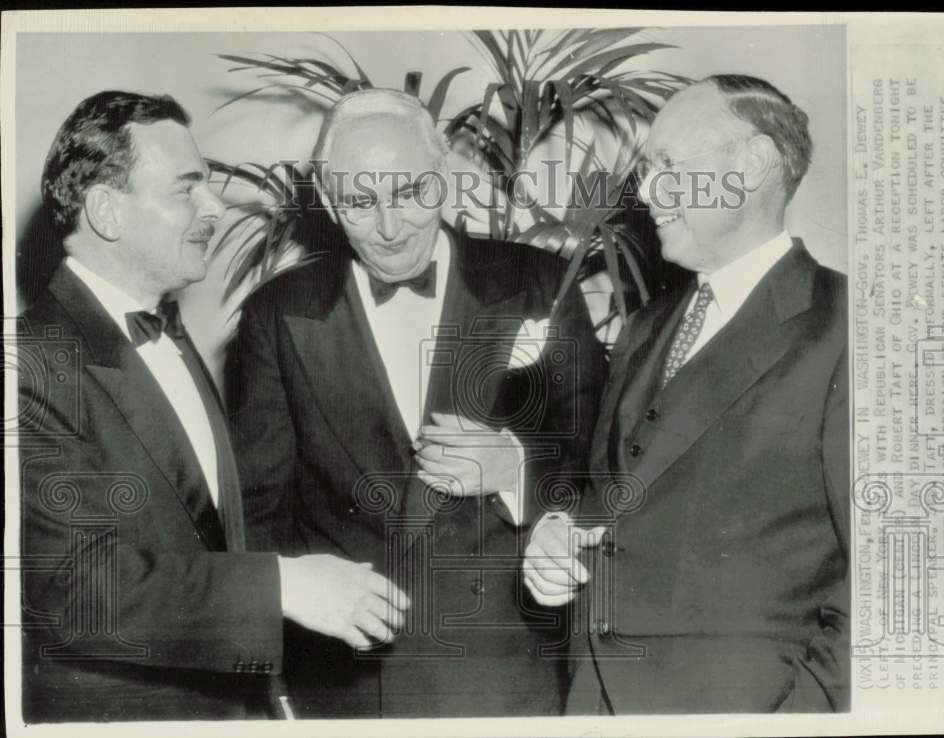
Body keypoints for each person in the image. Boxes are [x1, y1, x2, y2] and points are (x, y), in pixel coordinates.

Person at [17, 91, 408, 722]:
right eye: (186, 188)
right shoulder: (32, 364)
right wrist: (282, 584)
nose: (216, 206)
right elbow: (72, 591)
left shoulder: (163, 328)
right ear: (106, 210)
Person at [227, 88, 606, 718]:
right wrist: (270, 675)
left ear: (446, 180)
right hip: (344, 679)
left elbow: (599, 449)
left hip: (505, 670)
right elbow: (259, 508)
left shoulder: (539, 281)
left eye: (411, 192)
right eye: (360, 201)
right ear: (327, 202)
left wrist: (515, 466)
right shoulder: (277, 311)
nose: (391, 225)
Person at [523, 74, 850, 713]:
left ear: (752, 165)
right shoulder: (648, 326)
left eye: (667, 166)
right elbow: (619, 494)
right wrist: (559, 535)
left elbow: (889, 583)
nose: (645, 193)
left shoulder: (850, 325)